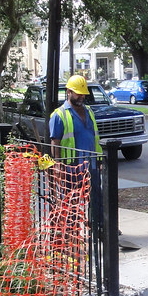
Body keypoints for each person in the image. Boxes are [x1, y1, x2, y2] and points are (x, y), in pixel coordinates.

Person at [49, 74, 102, 220]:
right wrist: (58, 165)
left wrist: (99, 160)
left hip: (91, 165)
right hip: (71, 167)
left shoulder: (89, 112)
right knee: (71, 202)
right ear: (69, 92)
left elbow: (95, 138)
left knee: (97, 198)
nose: (81, 97)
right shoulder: (59, 115)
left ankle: (99, 226)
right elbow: (55, 142)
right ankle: (71, 228)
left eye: (83, 94)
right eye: (78, 94)